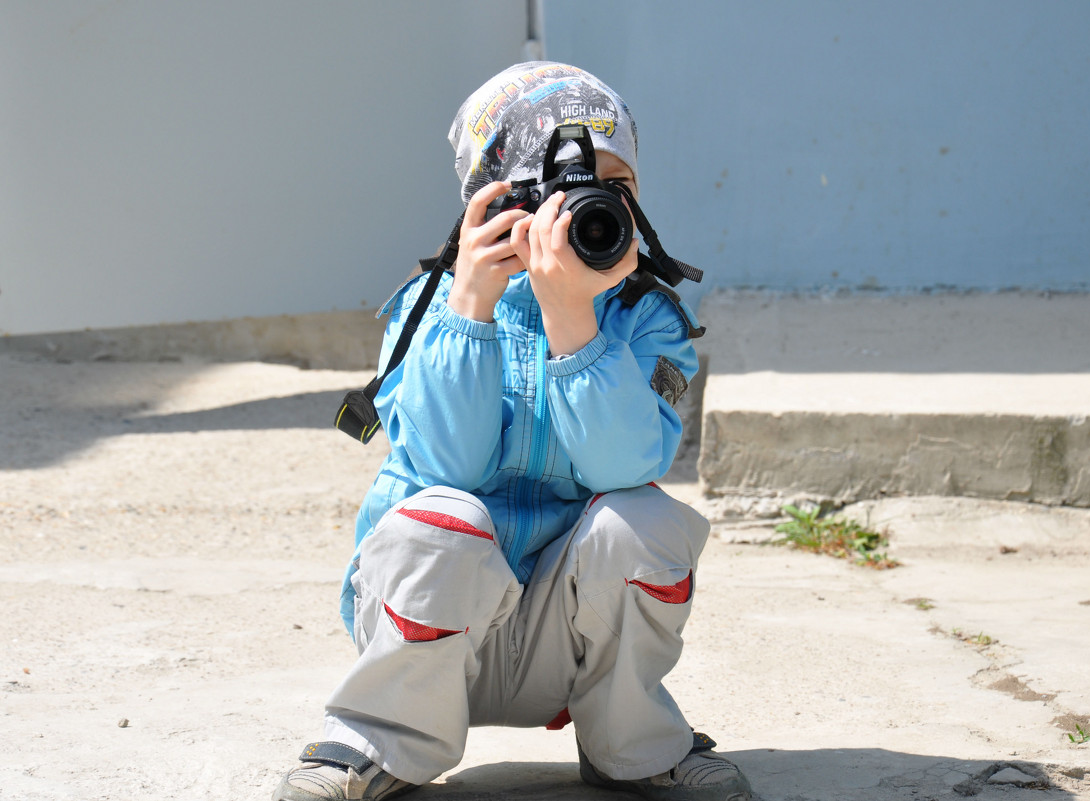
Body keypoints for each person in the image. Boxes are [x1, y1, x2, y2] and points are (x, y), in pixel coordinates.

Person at [273, 61, 752, 801]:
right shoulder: (431, 308)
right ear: (491, 197)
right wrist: (471, 303)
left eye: (613, 184)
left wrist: (574, 322)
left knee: (645, 517)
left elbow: (624, 463)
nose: (584, 208)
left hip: (572, 641)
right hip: (431, 639)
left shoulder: (649, 317)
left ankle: (635, 743)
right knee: (444, 515)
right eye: (554, 190)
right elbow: (445, 464)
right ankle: (377, 741)